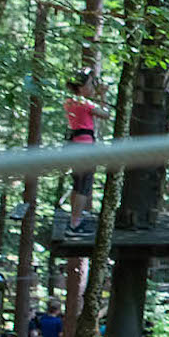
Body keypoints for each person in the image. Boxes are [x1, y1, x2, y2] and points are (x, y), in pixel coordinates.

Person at [62, 71, 105, 236]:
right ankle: (75, 223)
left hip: (74, 146)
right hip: (85, 147)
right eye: (90, 84)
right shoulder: (86, 105)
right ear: (81, 88)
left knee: (78, 184)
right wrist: (103, 95)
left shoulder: (70, 102)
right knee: (84, 186)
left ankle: (75, 217)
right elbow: (105, 114)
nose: (92, 87)